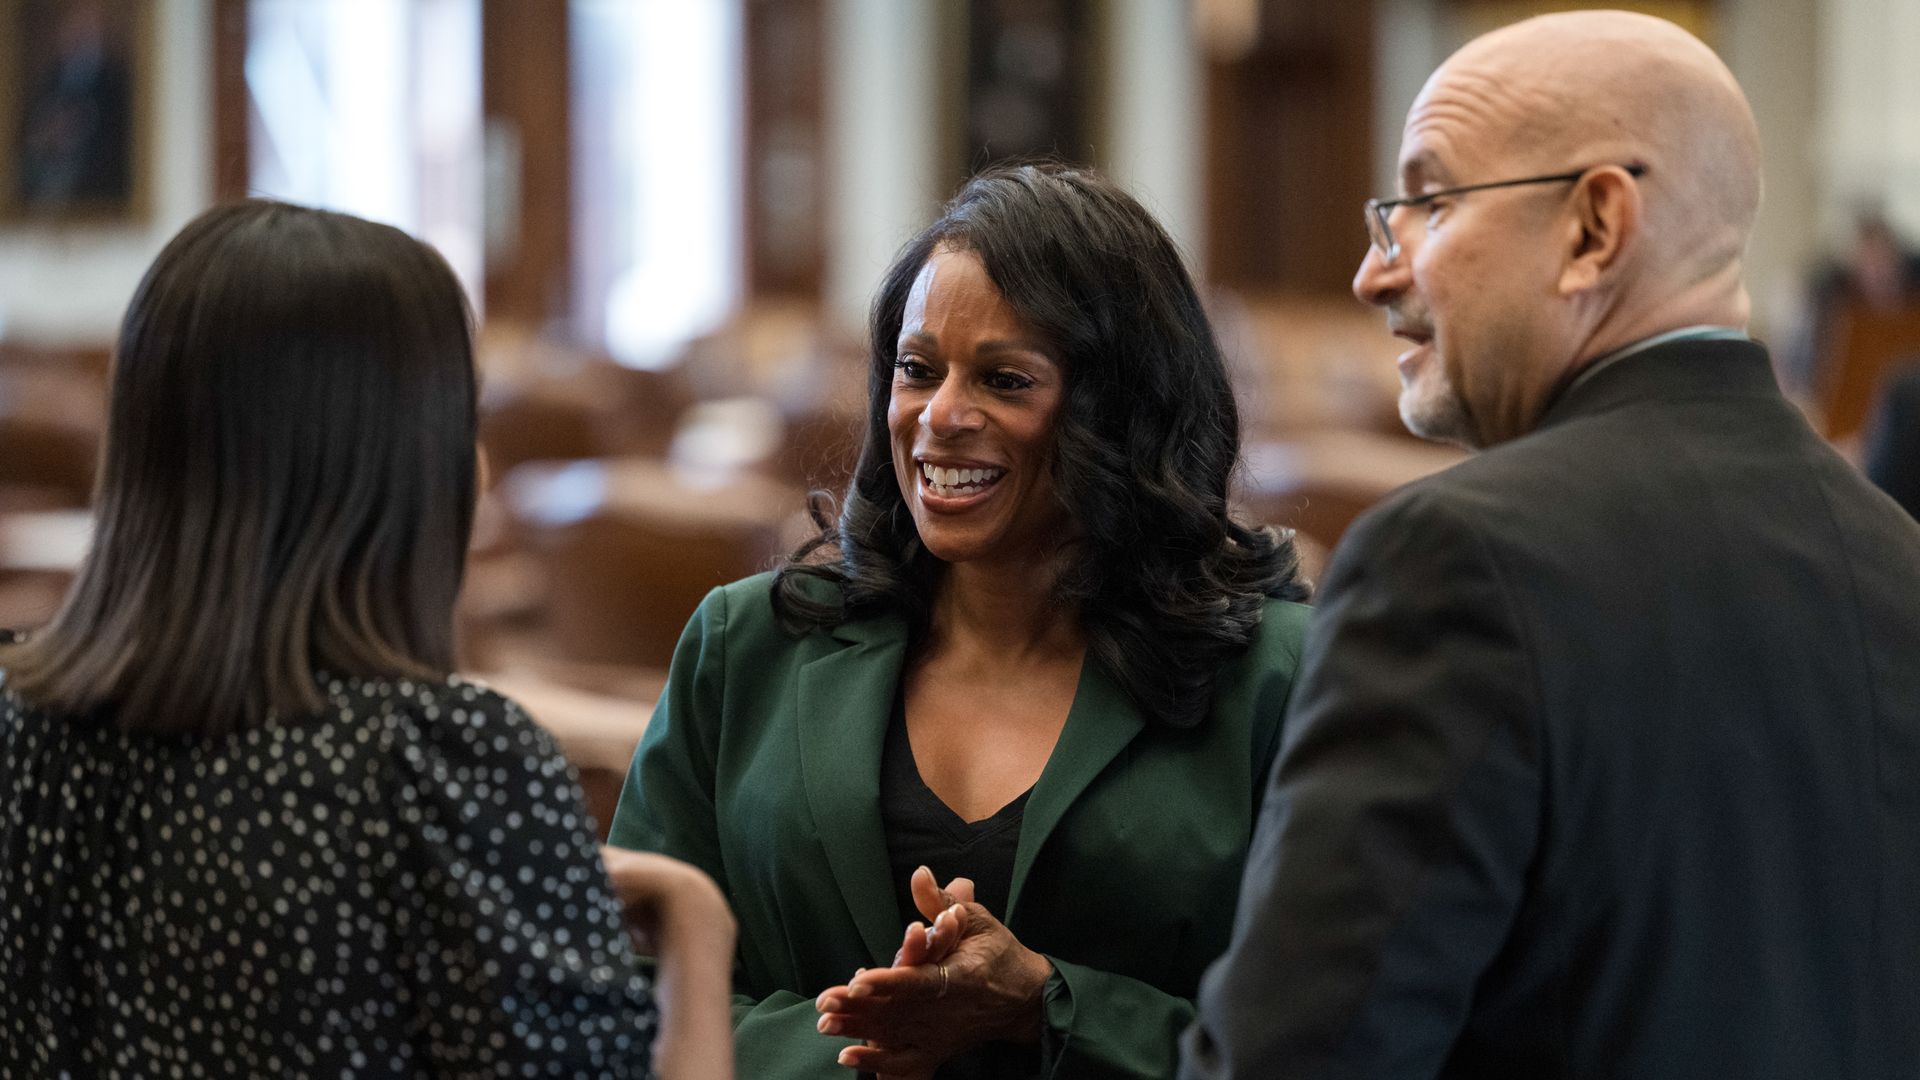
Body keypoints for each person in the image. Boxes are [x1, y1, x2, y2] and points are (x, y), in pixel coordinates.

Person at [1182, 11, 1920, 1080]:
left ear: (1592, 228)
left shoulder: (1453, 561)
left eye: (1429, 203)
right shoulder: (1898, 558)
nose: (1373, 275)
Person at [0, 200, 736, 1079]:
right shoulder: (444, 767)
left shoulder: (18, 731)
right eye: (464, 421)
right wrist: (695, 928)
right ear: (403, 461)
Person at [608, 164, 1311, 1079]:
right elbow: (618, 992)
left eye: (1005, 379)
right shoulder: (750, 645)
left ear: (1124, 411)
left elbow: (1327, 1037)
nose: (939, 418)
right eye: (916, 369)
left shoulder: (1278, 677)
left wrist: (1047, 1009)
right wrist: (869, 1050)